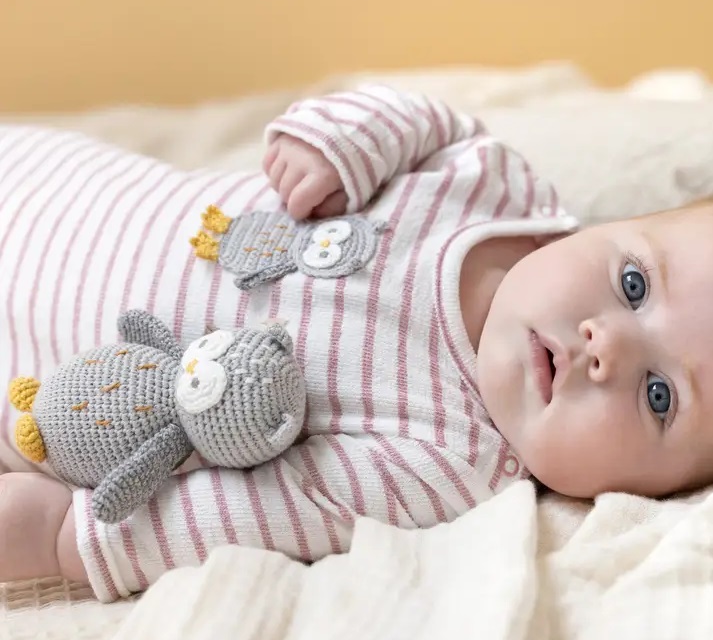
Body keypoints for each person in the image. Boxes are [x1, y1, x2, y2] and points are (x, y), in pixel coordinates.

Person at [0, 85, 711, 602]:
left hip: (32, 366)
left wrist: (73, 540)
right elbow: (422, 118)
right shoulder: (493, 186)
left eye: (659, 396)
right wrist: (335, 143)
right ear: (600, 228)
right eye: (633, 283)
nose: (605, 347)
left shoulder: (450, 465)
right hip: (59, 186)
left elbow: (274, 505)